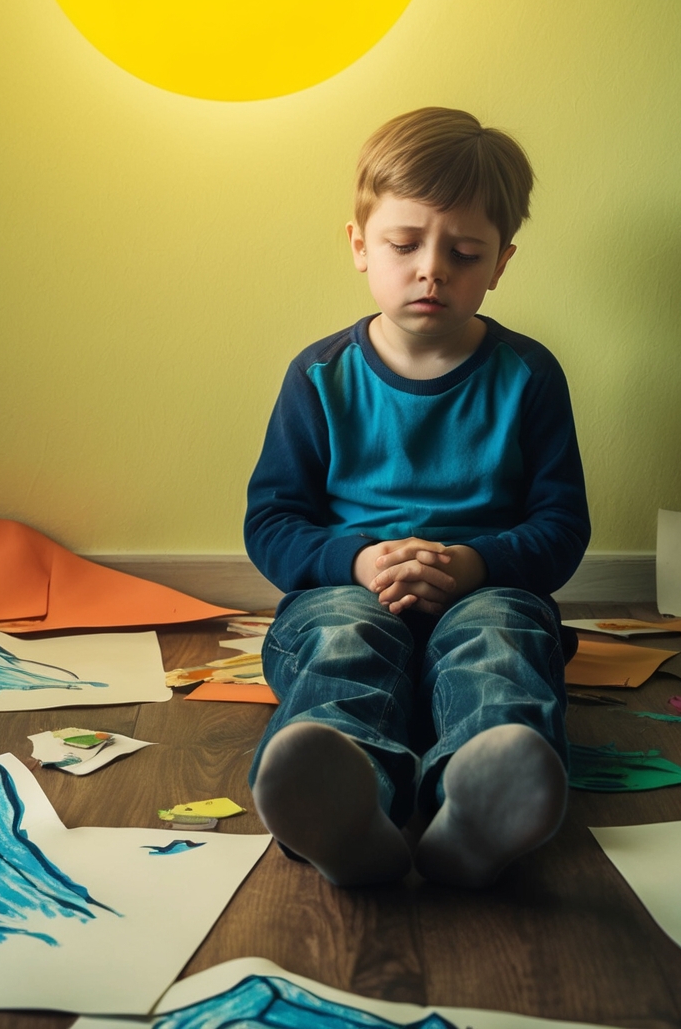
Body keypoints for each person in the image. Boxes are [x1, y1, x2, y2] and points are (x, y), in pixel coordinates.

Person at [243, 106, 590, 888]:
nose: (432, 268)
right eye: (405, 245)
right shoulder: (319, 375)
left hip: (486, 591)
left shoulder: (529, 375)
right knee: (341, 647)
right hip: (351, 593)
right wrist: (357, 562)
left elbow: (562, 527)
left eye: (464, 252)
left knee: (501, 650)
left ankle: (476, 808)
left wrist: (475, 564)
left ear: (500, 262)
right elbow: (271, 522)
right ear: (361, 246)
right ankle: (347, 808)